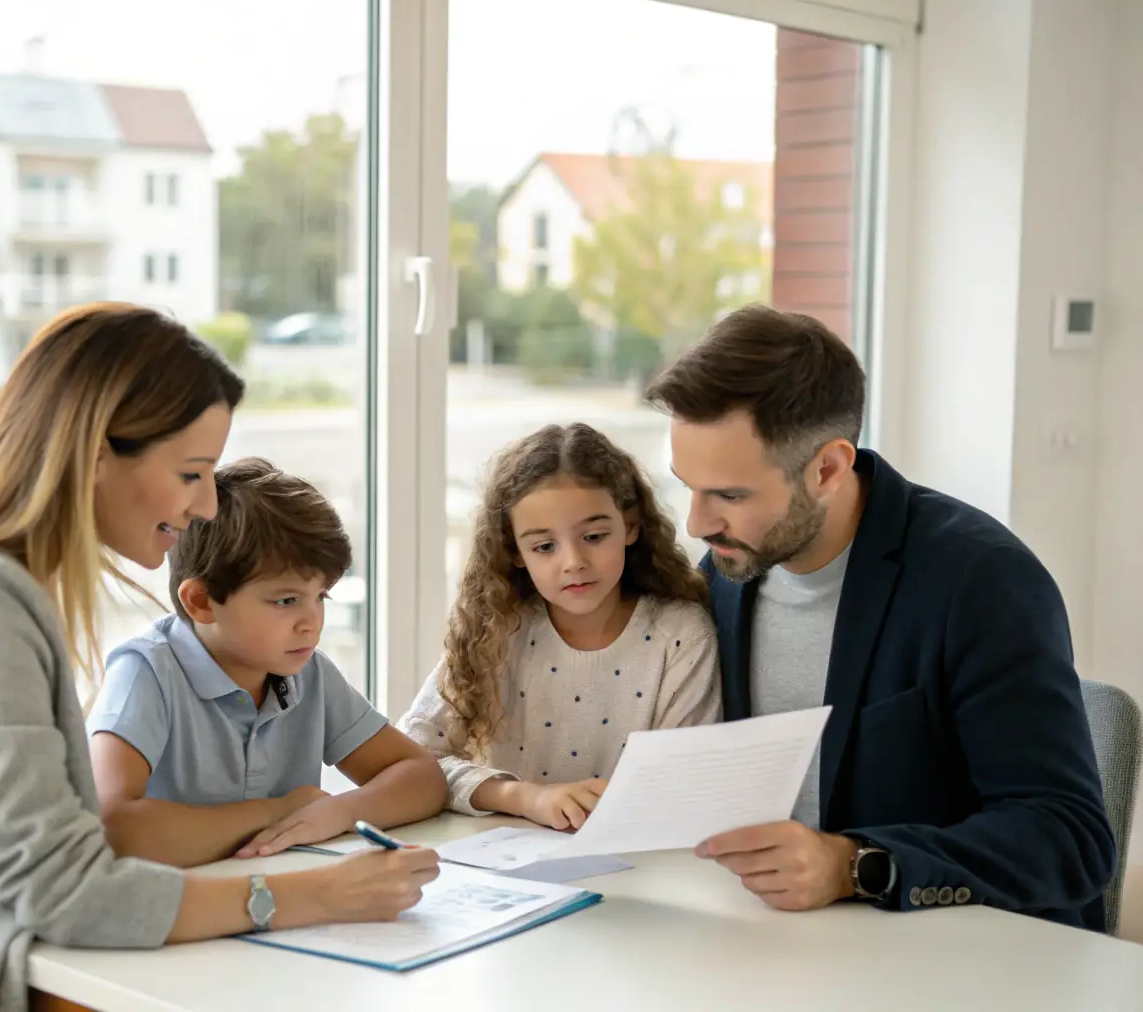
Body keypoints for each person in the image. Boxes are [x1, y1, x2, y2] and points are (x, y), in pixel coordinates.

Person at [0, 303, 440, 1012]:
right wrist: (309, 894)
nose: (204, 509)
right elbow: (65, 891)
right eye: (192, 473)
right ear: (97, 454)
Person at [646, 304, 1114, 928]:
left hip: (952, 954)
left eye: (730, 495)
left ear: (827, 470)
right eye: (689, 486)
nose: (697, 524)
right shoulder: (727, 571)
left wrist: (852, 864)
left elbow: (1069, 841)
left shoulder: (982, 582)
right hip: (778, 943)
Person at [87, 457, 448, 867]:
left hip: (280, 898)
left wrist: (341, 811)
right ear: (202, 602)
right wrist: (278, 811)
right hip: (176, 911)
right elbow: (113, 827)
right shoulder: (146, 673)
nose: (312, 622)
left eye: (321, 597)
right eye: (286, 600)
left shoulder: (308, 673)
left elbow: (422, 777)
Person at [400, 422, 721, 830]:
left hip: (644, 860)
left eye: (594, 536)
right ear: (514, 552)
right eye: (544, 546)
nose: (573, 562)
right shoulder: (496, 628)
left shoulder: (681, 636)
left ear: (632, 527)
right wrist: (524, 797)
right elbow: (411, 761)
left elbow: (685, 786)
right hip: (506, 868)